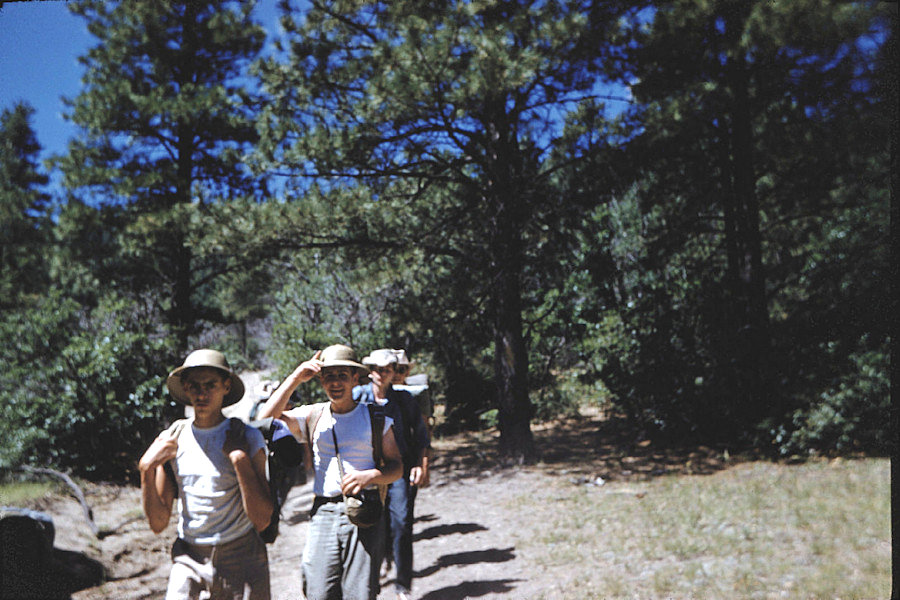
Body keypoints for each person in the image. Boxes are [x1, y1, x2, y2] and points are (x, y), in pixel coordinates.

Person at [256, 344, 403, 600]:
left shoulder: (375, 417)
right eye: (329, 376)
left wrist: (372, 476)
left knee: (359, 592)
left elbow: (396, 466)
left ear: (355, 378)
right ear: (321, 380)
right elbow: (263, 420)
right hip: (323, 512)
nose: (335, 383)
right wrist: (295, 378)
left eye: (342, 376)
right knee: (318, 590)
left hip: (364, 509)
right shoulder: (313, 415)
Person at [138, 349, 273, 600]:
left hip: (241, 555)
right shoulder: (173, 439)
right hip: (189, 556)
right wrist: (146, 469)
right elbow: (158, 524)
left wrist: (239, 458)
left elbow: (263, 519)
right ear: (186, 389)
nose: (202, 394)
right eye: (195, 386)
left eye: (210, 385)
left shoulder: (246, 436)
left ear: (226, 386)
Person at [354, 349, 431, 600]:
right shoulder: (357, 397)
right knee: (372, 524)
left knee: (401, 523)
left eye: (386, 369)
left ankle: (402, 585)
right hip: (367, 471)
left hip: (399, 469)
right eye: (376, 369)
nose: (381, 374)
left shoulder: (405, 400)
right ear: (369, 371)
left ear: (393, 372)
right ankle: (371, 582)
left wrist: (421, 463)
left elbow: (421, 435)